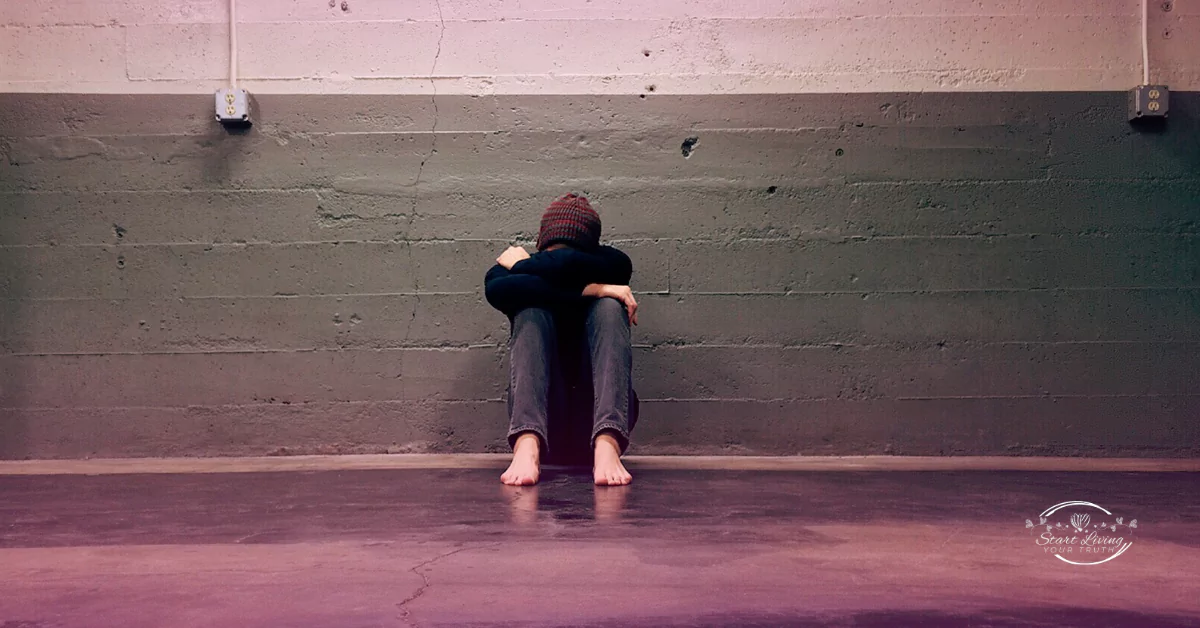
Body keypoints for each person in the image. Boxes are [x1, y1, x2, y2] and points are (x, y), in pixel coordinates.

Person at [484, 193, 640, 486]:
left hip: (594, 420)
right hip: (544, 424)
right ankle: (526, 444)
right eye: (551, 252)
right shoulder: (507, 276)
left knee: (609, 307)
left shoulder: (611, 264)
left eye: (568, 251)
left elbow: (589, 265)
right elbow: (497, 290)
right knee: (530, 310)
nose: (559, 258)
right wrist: (590, 288)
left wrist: (527, 264)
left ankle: (608, 444)